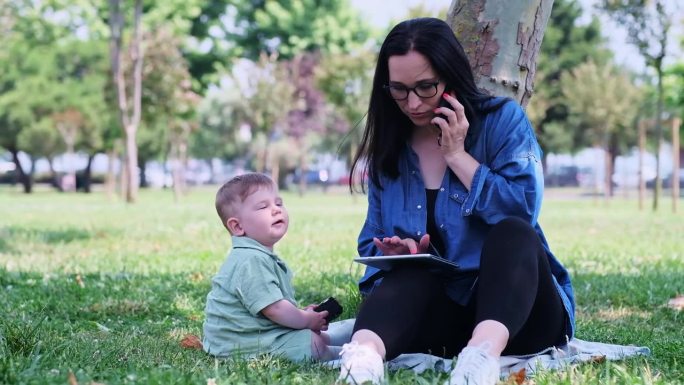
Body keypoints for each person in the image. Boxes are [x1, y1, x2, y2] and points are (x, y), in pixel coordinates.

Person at [338, 17, 575, 385]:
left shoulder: (502, 121)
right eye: (399, 90)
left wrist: (458, 156)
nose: (412, 103)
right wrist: (395, 255)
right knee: (411, 272)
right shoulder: (392, 148)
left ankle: (479, 363)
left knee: (512, 232)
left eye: (425, 87)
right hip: (443, 320)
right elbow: (370, 244)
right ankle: (362, 361)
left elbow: (523, 211)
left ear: (449, 77)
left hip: (520, 318)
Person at [203, 173, 335, 362]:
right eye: (263, 206)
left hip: (252, 335)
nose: (276, 210)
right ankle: (350, 360)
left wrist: (300, 314)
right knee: (314, 342)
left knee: (319, 337)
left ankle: (358, 347)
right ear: (237, 226)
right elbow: (274, 309)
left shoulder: (256, 256)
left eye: (279, 203)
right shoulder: (250, 261)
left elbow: (273, 305)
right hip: (239, 344)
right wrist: (305, 320)